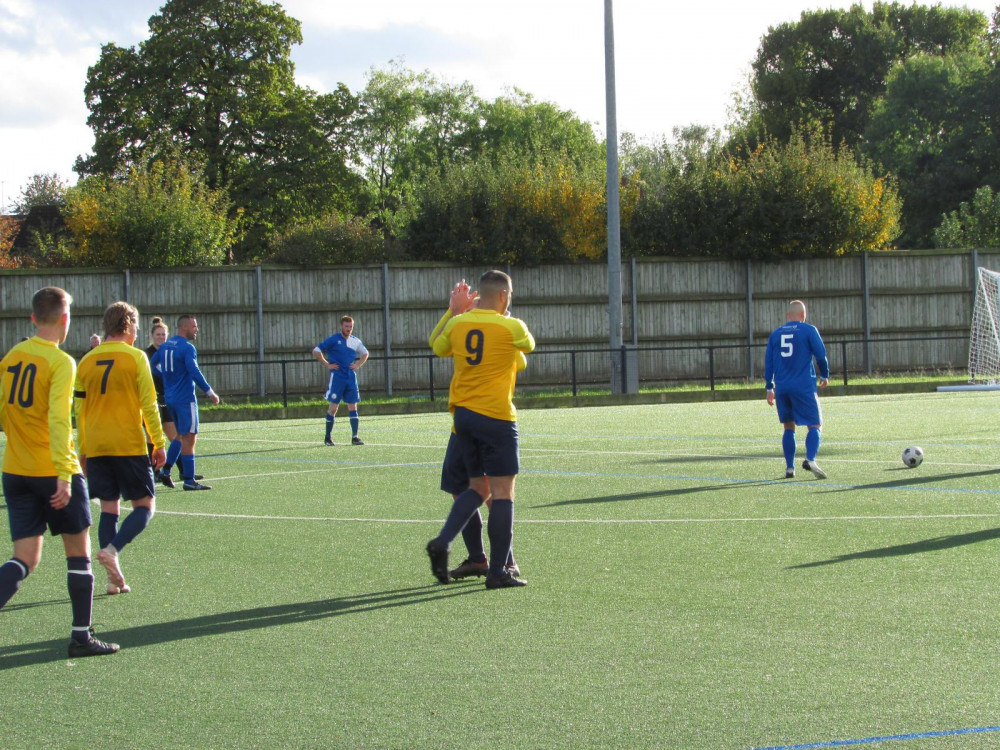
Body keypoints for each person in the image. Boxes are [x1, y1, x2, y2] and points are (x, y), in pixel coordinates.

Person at [0, 286, 120, 657]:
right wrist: (66, 473)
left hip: (15, 470)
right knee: (78, 551)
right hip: (52, 471)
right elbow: (57, 420)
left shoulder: (11, 357)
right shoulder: (61, 362)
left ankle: (82, 636)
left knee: (25, 558)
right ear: (66, 320)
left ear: (33, 318)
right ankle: (81, 638)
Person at [425, 271, 535, 589]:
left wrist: (454, 311)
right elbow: (526, 348)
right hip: (497, 419)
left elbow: (436, 345)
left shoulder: (459, 324)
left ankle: (444, 541)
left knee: (475, 488)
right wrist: (505, 321)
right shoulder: (511, 327)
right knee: (502, 494)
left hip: (463, 419)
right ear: (503, 296)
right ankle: (500, 570)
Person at [76, 301, 167, 595]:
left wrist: (84, 449)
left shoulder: (87, 361)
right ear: (127, 325)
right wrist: (158, 441)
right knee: (145, 507)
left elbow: (80, 411)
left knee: (109, 508)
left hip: (98, 445)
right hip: (127, 443)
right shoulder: (136, 357)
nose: (138, 332)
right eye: (137, 326)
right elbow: (149, 405)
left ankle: (111, 579)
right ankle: (113, 550)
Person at [149, 314, 219, 490]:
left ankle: (166, 470)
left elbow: (152, 365)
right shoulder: (187, 348)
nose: (196, 330)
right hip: (185, 399)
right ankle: (189, 480)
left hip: (170, 397)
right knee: (190, 438)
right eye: (194, 326)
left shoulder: (165, 346)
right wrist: (210, 392)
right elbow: (194, 371)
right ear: (185, 327)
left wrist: (166, 377)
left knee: (180, 436)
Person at [764, 299, 830, 479]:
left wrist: (769, 387)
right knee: (815, 424)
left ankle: (790, 468)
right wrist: (825, 374)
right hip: (803, 386)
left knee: (788, 427)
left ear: (788, 316)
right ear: (804, 316)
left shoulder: (776, 334)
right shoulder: (809, 330)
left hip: (782, 388)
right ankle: (810, 458)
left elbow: (768, 363)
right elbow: (821, 355)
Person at [144, 317, 202, 487]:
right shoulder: (148, 354)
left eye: (163, 334)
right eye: (158, 335)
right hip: (154, 398)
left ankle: (177, 470)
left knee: (176, 435)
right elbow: (151, 370)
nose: (161, 337)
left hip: (167, 398)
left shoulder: (170, 349)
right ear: (152, 336)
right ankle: (155, 471)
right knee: (152, 436)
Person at [313, 315, 369, 446]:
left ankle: (355, 437)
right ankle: (328, 438)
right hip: (337, 378)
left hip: (350, 378)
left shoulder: (355, 341)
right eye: (346, 326)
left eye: (351, 327)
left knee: (353, 406)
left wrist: (358, 365)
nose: (349, 329)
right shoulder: (334, 339)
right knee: (333, 408)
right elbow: (316, 351)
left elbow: (365, 353)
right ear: (341, 326)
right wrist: (327, 364)